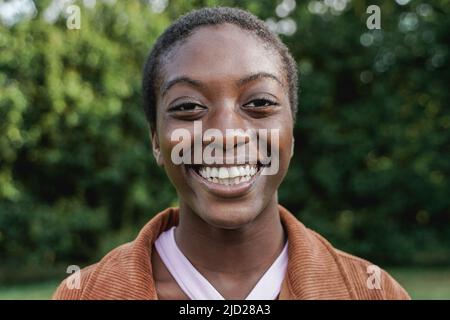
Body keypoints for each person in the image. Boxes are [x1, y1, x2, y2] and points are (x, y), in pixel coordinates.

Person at [53, 7, 410, 300]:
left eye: (259, 103)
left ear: (292, 132)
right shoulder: (84, 294)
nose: (225, 134)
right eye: (189, 107)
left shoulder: (372, 291)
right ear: (157, 142)